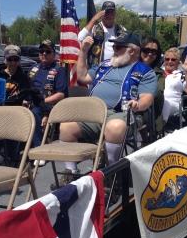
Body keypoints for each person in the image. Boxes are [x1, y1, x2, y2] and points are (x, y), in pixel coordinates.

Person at [59, 32, 157, 178]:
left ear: (132, 51)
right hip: (95, 113)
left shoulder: (145, 72)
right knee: (66, 126)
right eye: (114, 46)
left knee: (114, 127)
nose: (114, 50)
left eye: (118, 47)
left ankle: (111, 174)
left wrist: (138, 104)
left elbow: (147, 99)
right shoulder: (105, 65)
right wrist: (83, 51)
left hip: (123, 114)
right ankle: (70, 173)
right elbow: (82, 77)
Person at [29, 40, 67, 150]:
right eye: (41, 51)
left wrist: (42, 103)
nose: (44, 54)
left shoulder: (59, 70)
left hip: (50, 104)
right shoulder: (33, 69)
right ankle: (11, 153)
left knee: (34, 113)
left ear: (54, 54)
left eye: (47, 51)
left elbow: (61, 94)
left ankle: (39, 148)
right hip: (32, 102)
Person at [162, 47, 187, 126]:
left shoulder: (181, 75)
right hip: (157, 104)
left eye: (173, 60)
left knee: (166, 104)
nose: (169, 61)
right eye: (167, 59)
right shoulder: (157, 72)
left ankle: (160, 127)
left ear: (178, 62)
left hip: (173, 107)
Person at [140, 37, 164, 139]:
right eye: (146, 50)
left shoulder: (158, 73)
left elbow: (157, 92)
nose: (150, 54)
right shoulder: (129, 67)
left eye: (154, 52)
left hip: (146, 112)